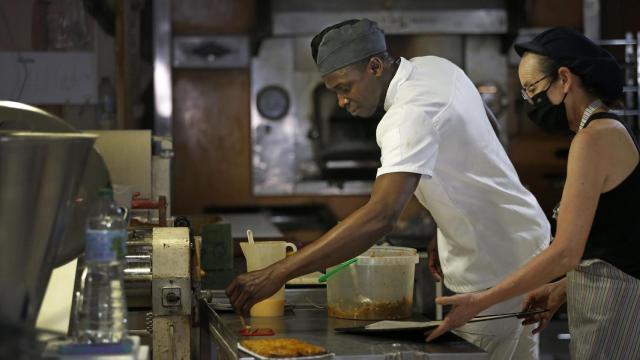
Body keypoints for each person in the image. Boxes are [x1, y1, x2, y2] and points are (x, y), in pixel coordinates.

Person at [226, 19, 550, 359]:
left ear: (375, 66)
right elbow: (483, 135)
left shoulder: (406, 116)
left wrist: (277, 274)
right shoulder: (436, 67)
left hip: (497, 268)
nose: (340, 101)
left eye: (345, 88)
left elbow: (379, 218)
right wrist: (445, 221)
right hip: (521, 247)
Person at [426, 27, 640, 359]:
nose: (529, 102)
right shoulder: (601, 131)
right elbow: (617, 239)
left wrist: (481, 301)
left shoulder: (596, 137)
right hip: (600, 296)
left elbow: (566, 252)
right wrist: (561, 288)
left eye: (532, 89)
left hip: (615, 304)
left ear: (565, 79)